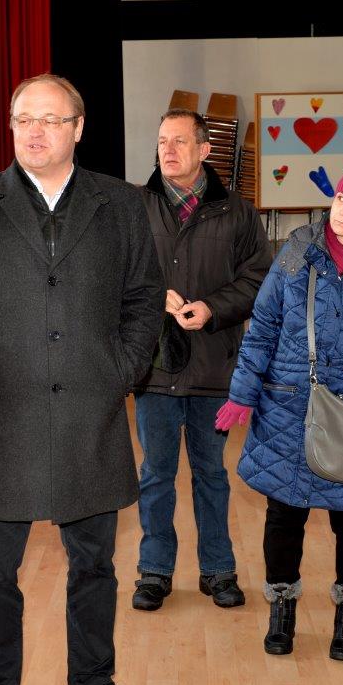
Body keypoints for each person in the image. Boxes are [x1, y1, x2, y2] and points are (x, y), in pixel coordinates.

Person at [0, 74, 164, 685]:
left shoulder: (121, 203)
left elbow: (144, 297)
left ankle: (93, 682)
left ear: (79, 127)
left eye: (50, 119)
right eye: (23, 119)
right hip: (3, 423)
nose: (34, 131)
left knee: (95, 566)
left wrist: (120, 372)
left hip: (92, 415)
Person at [216, 161, 343, 661]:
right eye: (340, 199)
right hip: (287, 406)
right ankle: (281, 608)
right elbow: (263, 326)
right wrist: (242, 393)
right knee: (283, 516)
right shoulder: (296, 251)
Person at [130, 109, 271, 612]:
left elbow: (259, 280)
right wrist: (153, 297)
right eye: (162, 141)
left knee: (211, 473)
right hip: (155, 366)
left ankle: (218, 570)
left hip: (214, 366)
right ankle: (154, 571)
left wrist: (213, 307)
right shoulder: (134, 207)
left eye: (179, 141)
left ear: (205, 150)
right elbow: (113, 276)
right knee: (156, 474)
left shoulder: (239, 213)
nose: (168, 150)